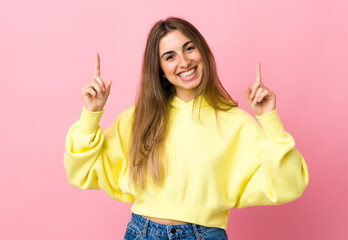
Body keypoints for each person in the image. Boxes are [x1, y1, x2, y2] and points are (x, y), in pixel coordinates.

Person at [63, 17, 309, 240]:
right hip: (141, 232)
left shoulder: (237, 123)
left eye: (189, 48)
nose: (184, 62)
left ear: (202, 50)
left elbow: (290, 184)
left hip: (205, 234)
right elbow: (81, 172)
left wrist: (269, 119)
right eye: (169, 57)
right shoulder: (139, 118)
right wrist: (91, 113)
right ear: (159, 70)